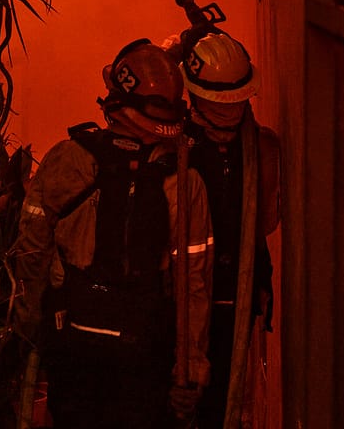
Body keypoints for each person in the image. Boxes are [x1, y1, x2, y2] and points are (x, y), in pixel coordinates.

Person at [13, 39, 214, 428]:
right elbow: (194, 283)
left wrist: (28, 322)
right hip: (146, 349)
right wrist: (190, 365)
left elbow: (32, 248)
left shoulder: (68, 158)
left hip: (71, 339)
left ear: (114, 103)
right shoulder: (184, 183)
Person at [177, 30, 281, 429]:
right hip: (182, 299)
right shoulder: (176, 146)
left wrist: (259, 279)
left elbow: (263, 224)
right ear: (192, 94)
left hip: (236, 294)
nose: (229, 111)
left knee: (224, 405)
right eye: (220, 102)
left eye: (235, 101)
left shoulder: (259, 149)